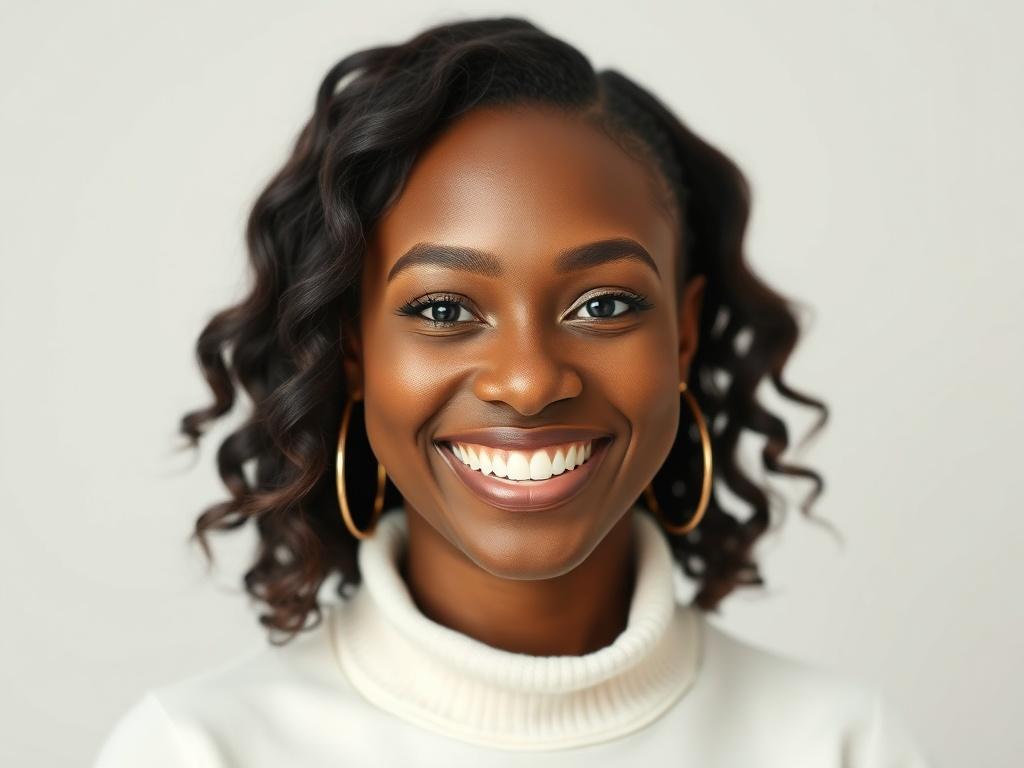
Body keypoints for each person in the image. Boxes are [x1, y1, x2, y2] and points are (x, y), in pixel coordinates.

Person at [94, 16, 933, 767]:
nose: (529, 382)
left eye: (604, 305)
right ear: (352, 347)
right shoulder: (197, 751)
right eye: (444, 309)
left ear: (680, 333)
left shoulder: (842, 746)